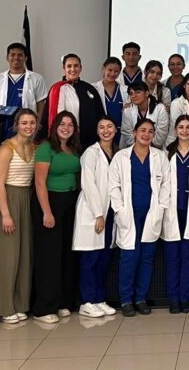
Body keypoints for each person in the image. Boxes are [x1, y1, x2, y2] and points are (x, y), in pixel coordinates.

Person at [109, 118, 171, 316]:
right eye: (142, 130)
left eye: (150, 131)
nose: (146, 134)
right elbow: (114, 186)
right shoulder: (121, 157)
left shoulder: (160, 157)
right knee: (129, 258)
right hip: (129, 214)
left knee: (146, 258)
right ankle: (126, 300)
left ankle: (141, 298)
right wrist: (119, 209)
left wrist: (161, 207)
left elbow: (166, 185)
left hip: (151, 214)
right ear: (135, 133)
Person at [32, 111, 82, 323]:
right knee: (49, 256)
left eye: (70, 124)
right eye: (62, 124)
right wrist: (47, 211)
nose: (66, 128)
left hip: (70, 203)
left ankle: (63, 301)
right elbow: (39, 182)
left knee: (66, 254)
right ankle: (44, 308)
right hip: (50, 202)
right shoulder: (46, 148)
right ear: (55, 126)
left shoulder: (73, 148)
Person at [0, 109, 37, 324]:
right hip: (8, 198)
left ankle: (20, 303)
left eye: (32, 123)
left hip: (27, 198)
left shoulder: (34, 148)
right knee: (7, 255)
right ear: (16, 125)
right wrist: (5, 214)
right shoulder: (5, 148)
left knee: (24, 254)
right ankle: (4, 306)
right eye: (24, 123)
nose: (28, 126)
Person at [73, 117, 119, 319]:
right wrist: (98, 214)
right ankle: (87, 301)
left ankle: (99, 299)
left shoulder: (116, 153)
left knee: (103, 258)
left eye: (109, 127)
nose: (106, 130)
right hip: (94, 213)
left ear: (115, 130)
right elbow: (88, 184)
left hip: (110, 212)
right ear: (97, 131)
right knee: (90, 259)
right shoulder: (91, 153)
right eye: (101, 127)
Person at [162, 116, 189, 313]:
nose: (184, 130)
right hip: (172, 210)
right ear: (175, 129)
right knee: (172, 259)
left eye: (188, 127)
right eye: (180, 127)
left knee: (188, 257)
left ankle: (185, 299)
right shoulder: (166, 153)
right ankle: (173, 299)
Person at [46, 54, 105, 147]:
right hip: (63, 142)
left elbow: (100, 116)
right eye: (69, 66)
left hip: (88, 142)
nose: (73, 69)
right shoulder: (56, 89)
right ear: (64, 68)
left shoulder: (90, 89)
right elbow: (47, 117)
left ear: (81, 68)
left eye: (76, 66)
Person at [0, 42, 48, 114]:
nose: (16, 58)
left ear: (25, 58)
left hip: (27, 120)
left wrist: (38, 121)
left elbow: (40, 105)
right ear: (7, 58)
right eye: (12, 55)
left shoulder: (37, 79)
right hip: (2, 120)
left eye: (20, 55)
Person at [121, 82, 169, 149]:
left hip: (155, 148)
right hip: (134, 148)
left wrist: (149, 147)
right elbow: (127, 132)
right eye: (131, 94)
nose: (133, 96)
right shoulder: (127, 110)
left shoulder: (160, 108)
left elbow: (162, 132)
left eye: (137, 92)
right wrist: (138, 147)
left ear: (146, 93)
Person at [93, 57, 126, 145]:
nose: (112, 74)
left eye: (116, 71)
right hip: (102, 133)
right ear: (103, 69)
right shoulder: (93, 89)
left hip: (120, 135)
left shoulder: (125, 91)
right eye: (110, 70)